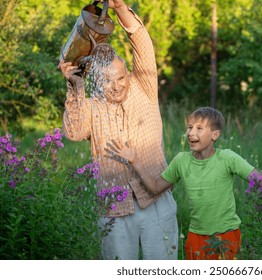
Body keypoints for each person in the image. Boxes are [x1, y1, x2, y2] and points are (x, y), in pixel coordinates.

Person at [58, 0, 178, 260]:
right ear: (99, 80)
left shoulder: (144, 87)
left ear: (129, 75)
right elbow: (74, 132)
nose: (116, 86)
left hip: (156, 200)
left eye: (121, 78)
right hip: (113, 208)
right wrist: (74, 86)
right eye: (108, 80)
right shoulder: (92, 105)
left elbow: (143, 45)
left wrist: (121, 8)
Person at [106, 106, 262, 260]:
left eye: (199, 128)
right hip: (195, 237)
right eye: (189, 127)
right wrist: (134, 160)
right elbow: (154, 187)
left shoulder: (227, 158)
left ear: (215, 135)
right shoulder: (181, 161)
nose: (191, 133)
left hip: (226, 236)